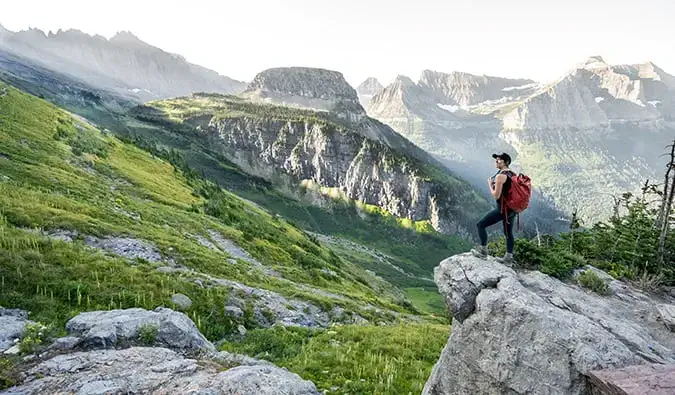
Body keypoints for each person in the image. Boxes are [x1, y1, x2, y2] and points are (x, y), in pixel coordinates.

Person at [471, 152, 517, 265]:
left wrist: (489, 184)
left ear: (506, 162)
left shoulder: (500, 176)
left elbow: (496, 195)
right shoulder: (513, 174)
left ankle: (483, 252)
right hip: (512, 209)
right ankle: (508, 258)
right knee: (508, 233)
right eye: (496, 160)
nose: (496, 161)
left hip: (502, 209)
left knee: (480, 225)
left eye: (499, 160)